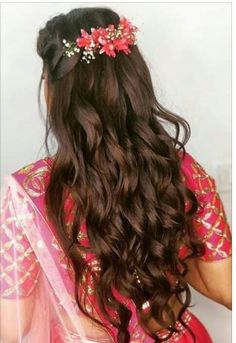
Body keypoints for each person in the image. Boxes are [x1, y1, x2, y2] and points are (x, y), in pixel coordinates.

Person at [0, 6, 232, 343]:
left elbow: (13, 327)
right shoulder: (180, 170)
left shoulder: (28, 193)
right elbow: (225, 286)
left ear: (54, 90)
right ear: (134, 81)